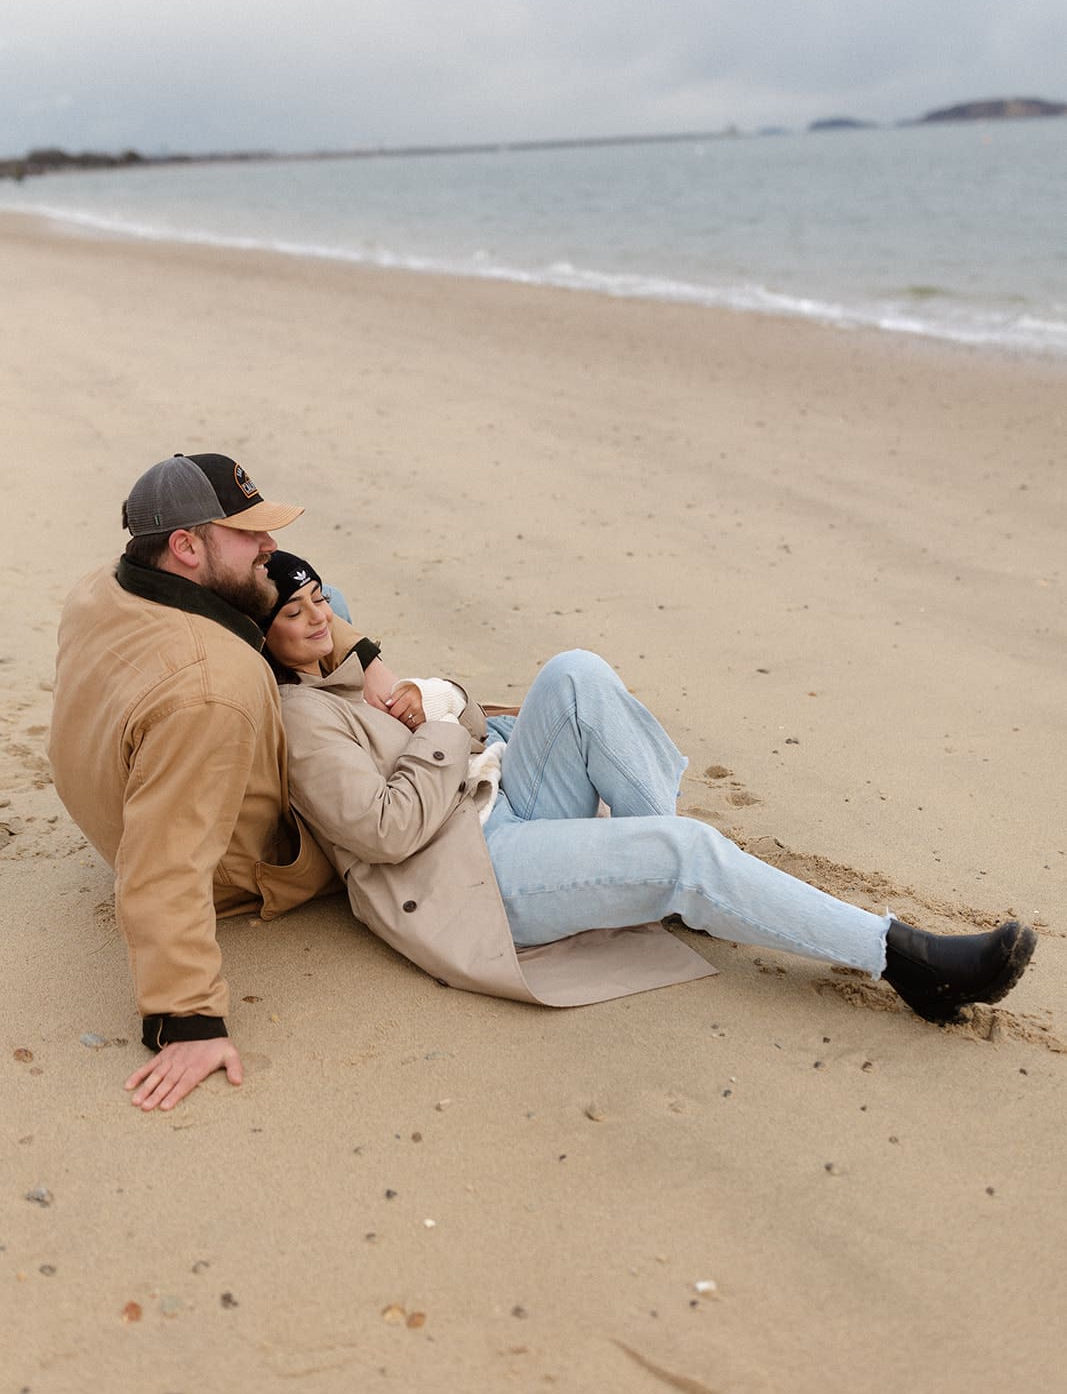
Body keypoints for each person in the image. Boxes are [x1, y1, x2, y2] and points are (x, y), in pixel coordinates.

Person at [261, 551, 1037, 1024]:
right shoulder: (304, 720)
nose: (317, 618)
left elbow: (459, 723)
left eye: (320, 599)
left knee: (574, 672)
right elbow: (382, 832)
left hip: (492, 803)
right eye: (293, 613)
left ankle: (666, 879)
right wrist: (431, 729)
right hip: (470, 875)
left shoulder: (353, 670)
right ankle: (906, 962)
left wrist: (432, 697)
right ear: (265, 638)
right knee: (685, 849)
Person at [48, 453, 395, 1112]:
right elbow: (167, 862)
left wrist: (364, 658)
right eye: (246, 532)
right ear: (184, 546)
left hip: (123, 788)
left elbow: (274, 582)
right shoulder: (215, 690)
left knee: (309, 597)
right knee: (447, 778)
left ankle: (376, 689)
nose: (269, 544)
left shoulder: (103, 584)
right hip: (243, 868)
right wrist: (187, 1023)